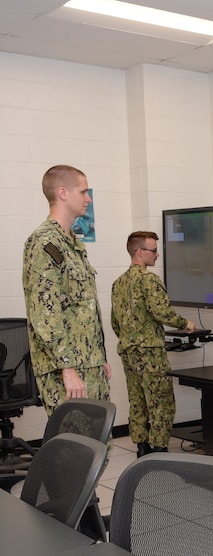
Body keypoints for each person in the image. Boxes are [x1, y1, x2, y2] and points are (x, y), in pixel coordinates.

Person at [23, 165, 111, 412]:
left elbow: (82, 308)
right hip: (67, 370)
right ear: (63, 193)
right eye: (83, 192)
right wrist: (68, 368)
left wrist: (98, 358)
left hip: (88, 363)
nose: (88, 198)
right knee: (77, 444)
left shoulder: (72, 243)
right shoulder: (44, 242)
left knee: (98, 444)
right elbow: (44, 314)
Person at [111, 231, 195, 457]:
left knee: (137, 400)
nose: (158, 254)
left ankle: (142, 447)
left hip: (128, 351)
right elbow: (161, 312)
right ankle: (159, 449)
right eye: (153, 250)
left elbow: (115, 322)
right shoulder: (149, 280)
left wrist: (131, 337)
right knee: (161, 402)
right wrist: (185, 323)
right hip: (150, 353)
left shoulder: (118, 283)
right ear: (139, 252)